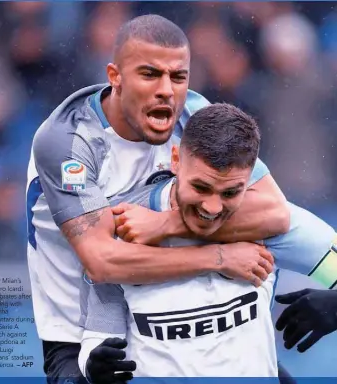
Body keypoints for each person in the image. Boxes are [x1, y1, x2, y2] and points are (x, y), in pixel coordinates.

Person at [26, 15, 289, 382]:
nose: (167, 89)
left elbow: (276, 212)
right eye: (150, 74)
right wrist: (218, 256)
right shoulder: (69, 141)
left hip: (173, 314)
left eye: (178, 76)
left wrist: (166, 222)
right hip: (83, 337)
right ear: (114, 76)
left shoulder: (195, 116)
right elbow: (102, 262)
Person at [77, 103, 336, 381]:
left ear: (250, 179)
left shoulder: (272, 222)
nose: (212, 208)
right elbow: (98, 334)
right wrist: (94, 365)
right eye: (201, 187)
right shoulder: (120, 226)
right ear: (176, 160)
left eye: (231, 192)